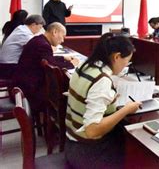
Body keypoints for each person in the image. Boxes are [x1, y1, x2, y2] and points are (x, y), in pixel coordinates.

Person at [65, 33, 142, 169]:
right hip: (89, 152)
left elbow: (85, 95)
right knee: (139, 150)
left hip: (72, 142)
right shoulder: (101, 80)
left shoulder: (85, 65)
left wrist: (108, 100)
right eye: (126, 61)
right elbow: (92, 130)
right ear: (116, 57)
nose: (125, 65)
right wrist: (126, 109)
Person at [14, 22, 79, 113]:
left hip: (26, 82)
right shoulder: (43, 45)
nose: (63, 41)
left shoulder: (39, 40)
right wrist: (71, 64)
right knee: (66, 93)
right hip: (32, 88)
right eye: (63, 36)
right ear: (55, 32)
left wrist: (63, 57)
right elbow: (52, 66)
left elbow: (47, 59)